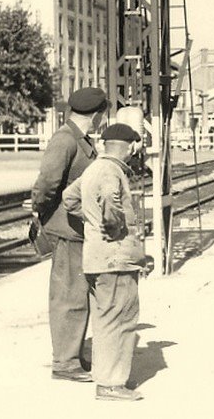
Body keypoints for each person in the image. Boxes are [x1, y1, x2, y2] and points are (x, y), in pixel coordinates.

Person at [62, 123, 148, 402]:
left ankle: (107, 377)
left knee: (105, 320)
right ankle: (111, 384)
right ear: (130, 146)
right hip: (115, 259)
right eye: (136, 145)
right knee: (121, 318)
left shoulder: (93, 169)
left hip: (95, 258)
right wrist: (112, 227)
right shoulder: (112, 171)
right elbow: (112, 204)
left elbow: (69, 198)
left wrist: (91, 220)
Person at [31, 87, 107, 382]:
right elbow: (47, 183)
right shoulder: (65, 140)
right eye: (102, 114)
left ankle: (72, 355)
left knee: (77, 294)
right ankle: (64, 363)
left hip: (76, 228)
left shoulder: (78, 139)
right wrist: (41, 210)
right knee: (68, 295)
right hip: (66, 229)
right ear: (96, 114)